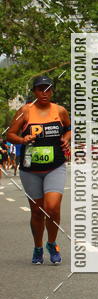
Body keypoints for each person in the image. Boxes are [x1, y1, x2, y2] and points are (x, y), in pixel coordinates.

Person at [6, 76, 71, 264]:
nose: (45, 93)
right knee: (37, 211)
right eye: (41, 89)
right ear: (34, 91)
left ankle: (52, 243)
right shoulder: (25, 111)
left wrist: (67, 137)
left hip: (55, 167)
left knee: (52, 207)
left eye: (48, 89)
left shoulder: (60, 111)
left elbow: (70, 128)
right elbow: (10, 134)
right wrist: (22, 140)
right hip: (30, 169)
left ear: (52, 91)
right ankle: (38, 247)